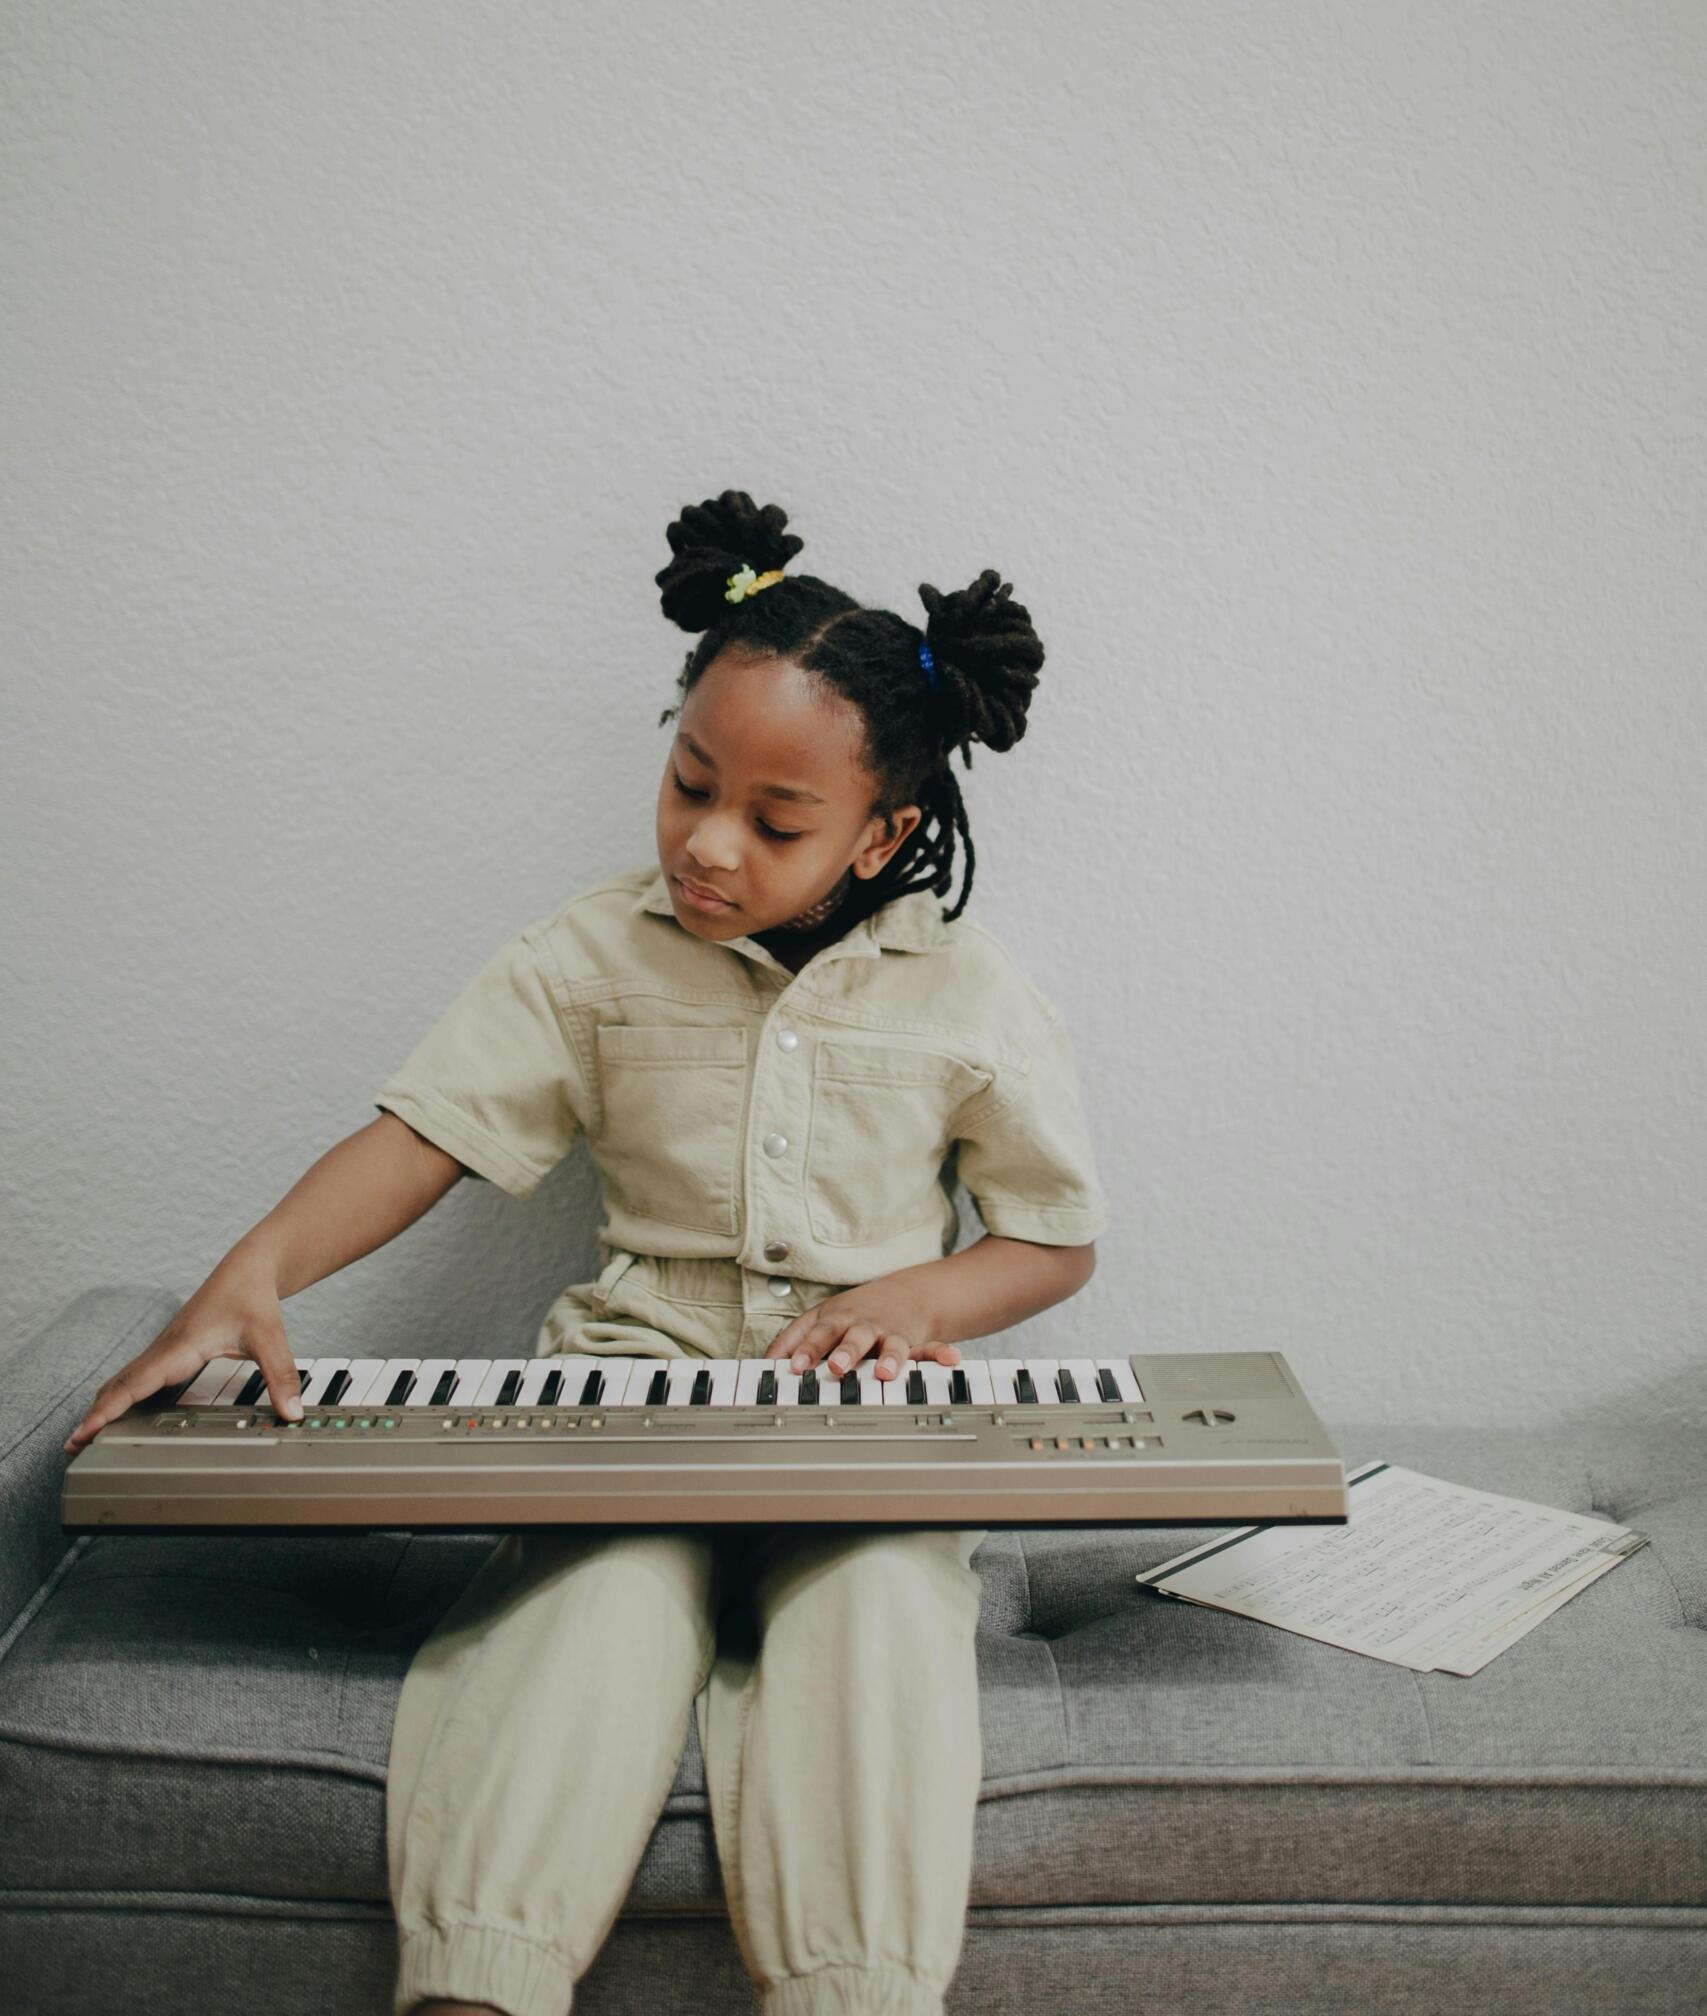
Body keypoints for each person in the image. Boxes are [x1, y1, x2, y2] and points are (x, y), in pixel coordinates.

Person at [62, 486, 1107, 2016]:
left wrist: (917, 1296)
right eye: (688, 783)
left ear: (884, 832)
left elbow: (1050, 1239)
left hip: (861, 1415)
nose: (707, 843)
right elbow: (426, 1134)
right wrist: (255, 1273)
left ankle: (857, 1993)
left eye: (775, 820)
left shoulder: (970, 988)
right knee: (583, 1610)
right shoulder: (590, 954)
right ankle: (478, 1982)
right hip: (636, 1384)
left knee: (879, 1623)